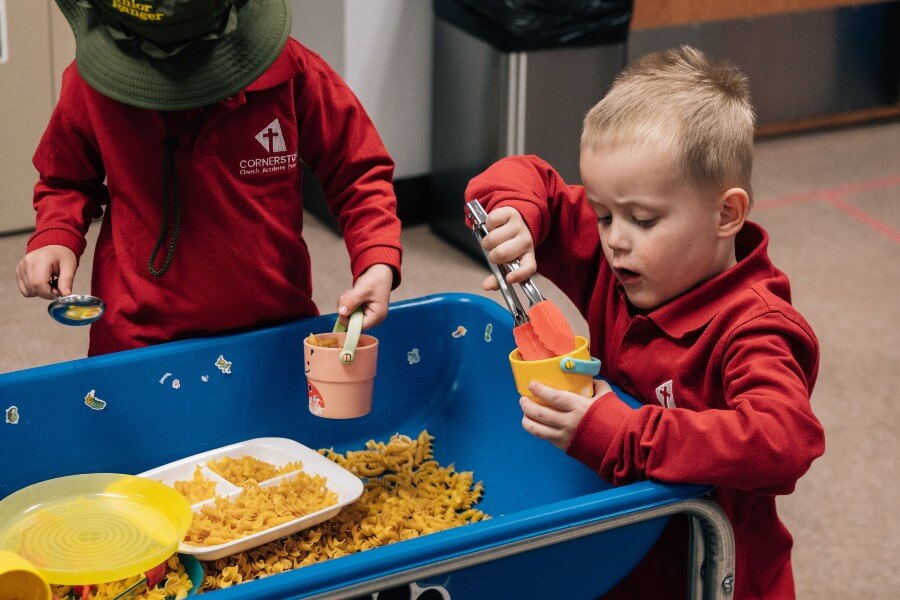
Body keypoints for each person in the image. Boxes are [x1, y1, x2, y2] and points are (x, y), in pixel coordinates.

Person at [466, 46, 825, 599]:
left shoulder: (756, 328)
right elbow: (521, 175)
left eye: (643, 219)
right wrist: (518, 215)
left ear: (727, 214)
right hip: (618, 554)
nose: (614, 239)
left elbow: (785, 441)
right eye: (605, 215)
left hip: (707, 576)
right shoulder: (618, 257)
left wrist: (625, 433)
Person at [15, 0, 401, 354]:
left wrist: (375, 259)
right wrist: (56, 236)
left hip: (275, 325)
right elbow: (65, 179)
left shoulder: (291, 71)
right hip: (138, 336)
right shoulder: (90, 85)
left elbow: (358, 169)